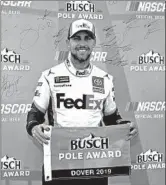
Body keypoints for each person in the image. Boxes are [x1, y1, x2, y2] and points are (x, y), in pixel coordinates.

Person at [26, 19, 138, 185]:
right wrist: (34, 127)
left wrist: (125, 126)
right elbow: (34, 115)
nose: (82, 43)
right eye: (77, 38)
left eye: (87, 38)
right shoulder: (50, 76)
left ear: (94, 43)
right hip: (59, 162)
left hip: (94, 164)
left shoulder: (105, 79)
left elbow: (111, 118)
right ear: (68, 42)